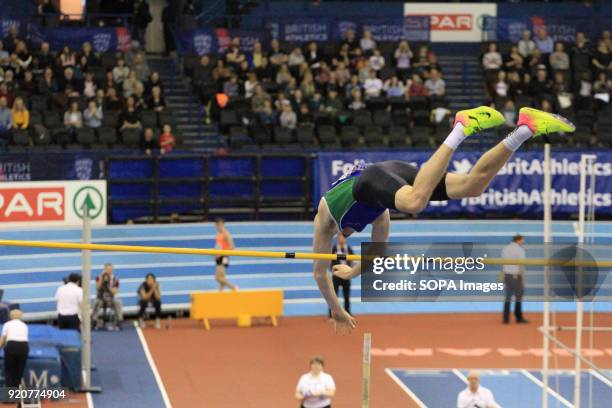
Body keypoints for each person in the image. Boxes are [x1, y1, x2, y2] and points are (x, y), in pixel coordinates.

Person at [314, 106, 575, 333]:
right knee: (472, 186)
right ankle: (525, 128)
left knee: (415, 202)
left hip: (370, 178)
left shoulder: (325, 222)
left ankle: (461, 127)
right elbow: (378, 252)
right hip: (392, 172)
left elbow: (319, 274)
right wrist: (353, 272)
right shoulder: (378, 213)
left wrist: (336, 310)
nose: (346, 234)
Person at [501, 234, 528, 324]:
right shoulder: (520, 250)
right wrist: (523, 279)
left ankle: (505, 319)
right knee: (518, 297)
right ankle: (519, 318)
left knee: (508, 297)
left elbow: (503, 263)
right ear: (518, 240)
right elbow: (521, 265)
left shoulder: (505, 249)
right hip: (516, 276)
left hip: (507, 275)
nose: (524, 241)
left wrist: (503, 275)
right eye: (523, 240)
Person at [0, 309, 29, 389]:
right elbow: (25, 338)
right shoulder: (24, 325)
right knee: (19, 371)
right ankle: (16, 393)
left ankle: (9, 395)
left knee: (9, 370)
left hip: (12, 346)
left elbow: (2, 340)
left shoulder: (7, 324)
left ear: (10, 316)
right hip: (24, 346)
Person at [328, 235, 353, 318]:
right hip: (336, 275)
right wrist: (333, 269)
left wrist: (350, 270)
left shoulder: (348, 248)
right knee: (334, 295)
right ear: (338, 239)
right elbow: (329, 260)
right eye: (340, 238)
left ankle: (348, 312)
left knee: (347, 295)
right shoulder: (334, 248)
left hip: (346, 275)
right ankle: (332, 313)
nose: (341, 239)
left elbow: (352, 260)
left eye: (343, 237)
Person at [92, 263, 124, 328]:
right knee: (97, 302)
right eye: (107, 269)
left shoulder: (115, 279)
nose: (108, 271)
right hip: (100, 298)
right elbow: (97, 287)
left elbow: (115, 292)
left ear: (112, 270)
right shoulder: (99, 277)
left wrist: (108, 286)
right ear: (104, 270)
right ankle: (93, 321)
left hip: (111, 299)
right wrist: (102, 278)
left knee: (118, 302)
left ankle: (119, 320)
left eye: (110, 269)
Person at [214, 218, 238, 291]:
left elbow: (232, 247)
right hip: (219, 257)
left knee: (218, 278)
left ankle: (233, 287)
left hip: (224, 257)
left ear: (223, 225)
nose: (219, 227)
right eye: (217, 225)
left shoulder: (226, 233)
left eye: (220, 225)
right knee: (222, 277)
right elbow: (218, 245)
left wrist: (221, 254)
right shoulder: (219, 234)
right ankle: (220, 294)